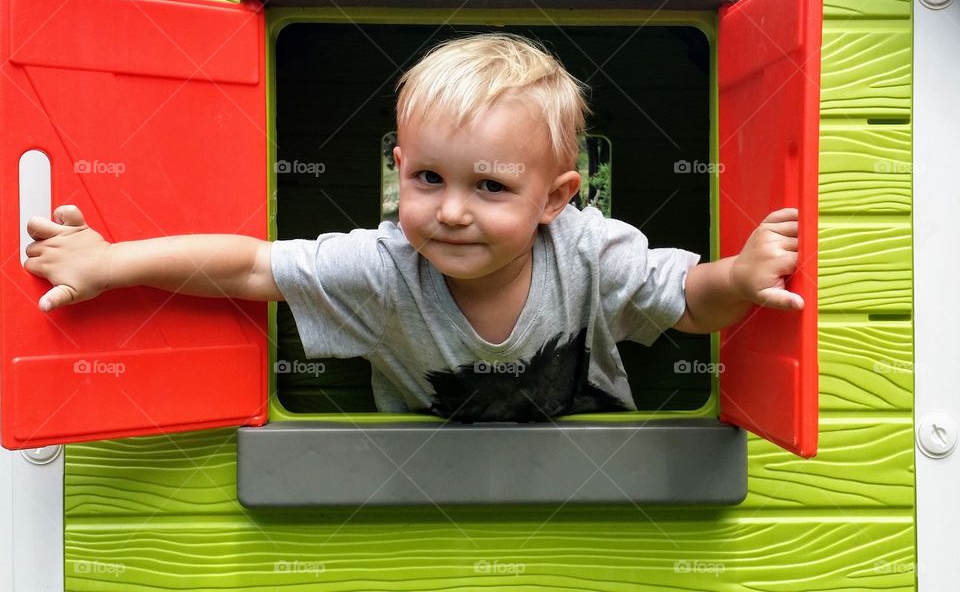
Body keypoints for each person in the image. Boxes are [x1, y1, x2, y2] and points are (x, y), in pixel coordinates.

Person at [23, 33, 802, 422]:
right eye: (428, 178)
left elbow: (694, 302)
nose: (452, 209)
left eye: (491, 186)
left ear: (558, 196)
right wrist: (109, 261)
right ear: (399, 165)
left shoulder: (591, 250)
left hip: (588, 473)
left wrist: (741, 273)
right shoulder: (385, 264)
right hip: (423, 482)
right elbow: (251, 267)